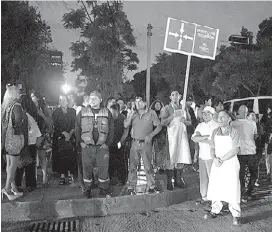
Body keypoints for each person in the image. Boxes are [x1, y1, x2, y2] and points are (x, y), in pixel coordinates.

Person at [75, 90, 114, 198]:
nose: (92, 100)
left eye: (95, 98)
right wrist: (81, 143)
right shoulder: (82, 112)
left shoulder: (107, 112)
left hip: (102, 147)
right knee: (86, 169)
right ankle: (87, 190)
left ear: (100, 100)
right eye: (91, 98)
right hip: (87, 147)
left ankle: (103, 189)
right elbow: (77, 128)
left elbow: (111, 130)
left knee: (103, 168)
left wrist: (108, 144)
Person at [205, 110, 241, 226]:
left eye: (222, 117)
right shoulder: (215, 132)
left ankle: (236, 214)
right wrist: (214, 158)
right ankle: (215, 210)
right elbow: (212, 148)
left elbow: (235, 150)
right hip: (217, 163)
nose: (219, 119)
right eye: (218, 117)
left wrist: (222, 159)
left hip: (230, 163)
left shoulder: (234, 132)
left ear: (229, 119)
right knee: (216, 185)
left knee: (233, 187)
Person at [124, 95, 162, 195]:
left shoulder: (151, 113)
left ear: (145, 103)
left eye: (140, 101)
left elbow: (158, 126)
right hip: (135, 143)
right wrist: (131, 114)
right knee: (132, 166)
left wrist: (151, 136)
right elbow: (125, 125)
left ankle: (151, 186)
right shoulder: (133, 114)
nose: (138, 104)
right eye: (136, 102)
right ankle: (131, 186)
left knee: (148, 166)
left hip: (146, 143)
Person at [160, 91, 192, 191]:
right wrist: (172, 116)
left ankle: (178, 179)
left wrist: (184, 121)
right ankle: (170, 180)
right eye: (173, 95)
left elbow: (190, 122)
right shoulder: (166, 108)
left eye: (176, 95)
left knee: (181, 155)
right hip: (172, 136)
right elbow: (163, 122)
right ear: (170, 97)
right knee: (171, 157)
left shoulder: (184, 108)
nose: (175, 96)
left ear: (180, 96)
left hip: (182, 135)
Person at [1, 84, 26, 201]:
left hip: (5, 138)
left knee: (9, 164)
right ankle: (6, 189)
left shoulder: (5, 106)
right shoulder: (17, 106)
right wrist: (21, 136)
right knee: (13, 165)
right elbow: (18, 122)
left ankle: (13, 188)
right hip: (14, 139)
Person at [15, 93, 42, 192]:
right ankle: (30, 185)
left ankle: (18, 184)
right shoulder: (29, 115)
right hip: (31, 143)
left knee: (21, 165)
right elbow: (36, 130)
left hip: (25, 143)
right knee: (29, 165)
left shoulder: (24, 115)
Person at [192, 106, 218, 205]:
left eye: (207, 113)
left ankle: (215, 200)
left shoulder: (216, 125)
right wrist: (205, 138)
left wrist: (201, 138)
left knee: (213, 178)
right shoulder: (200, 125)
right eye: (204, 113)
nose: (205, 115)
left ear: (212, 114)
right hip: (202, 155)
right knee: (203, 178)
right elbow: (194, 138)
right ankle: (205, 196)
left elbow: (213, 142)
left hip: (212, 156)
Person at [231, 105, 258, 202]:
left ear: (238, 112)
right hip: (251, 152)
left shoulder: (233, 124)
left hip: (239, 152)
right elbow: (255, 136)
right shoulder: (253, 123)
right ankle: (249, 192)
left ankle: (242, 194)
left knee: (240, 175)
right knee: (254, 174)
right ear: (247, 113)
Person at [52, 94, 77, 185]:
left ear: (67, 101)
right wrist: (63, 133)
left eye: (64, 100)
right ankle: (62, 175)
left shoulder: (72, 111)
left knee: (70, 155)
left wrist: (70, 134)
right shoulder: (56, 112)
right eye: (60, 100)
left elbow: (75, 123)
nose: (62, 102)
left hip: (71, 136)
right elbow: (56, 125)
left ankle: (70, 174)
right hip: (60, 136)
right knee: (60, 156)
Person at [30, 90, 53, 184]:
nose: (31, 98)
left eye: (33, 96)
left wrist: (42, 115)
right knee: (33, 157)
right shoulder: (30, 108)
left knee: (43, 156)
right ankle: (34, 177)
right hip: (33, 135)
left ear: (37, 97)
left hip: (43, 134)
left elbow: (50, 123)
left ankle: (44, 177)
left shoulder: (45, 108)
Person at [108, 104, 129, 185]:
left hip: (120, 143)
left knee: (120, 162)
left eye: (113, 113)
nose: (112, 114)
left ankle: (122, 180)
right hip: (111, 143)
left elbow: (125, 132)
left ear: (117, 111)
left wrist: (121, 141)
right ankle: (112, 179)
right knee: (111, 162)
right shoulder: (109, 119)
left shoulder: (123, 118)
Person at [150, 100, 167, 171]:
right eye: (156, 104)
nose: (157, 106)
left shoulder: (163, 114)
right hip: (154, 135)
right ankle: (156, 165)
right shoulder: (151, 114)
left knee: (162, 151)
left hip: (162, 135)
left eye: (159, 105)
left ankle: (162, 166)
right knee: (155, 151)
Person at [260, 106, 272, 178]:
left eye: (268, 108)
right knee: (267, 154)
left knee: (269, 154)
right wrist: (263, 132)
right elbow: (261, 124)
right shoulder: (264, 116)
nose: (268, 110)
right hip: (267, 136)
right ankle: (268, 170)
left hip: (269, 135)